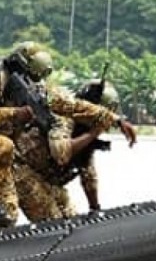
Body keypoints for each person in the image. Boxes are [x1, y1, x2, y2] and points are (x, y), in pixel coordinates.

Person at [0, 41, 129, 228]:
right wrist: (15, 113)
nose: (34, 83)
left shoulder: (33, 89)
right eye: (31, 77)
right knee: (10, 211)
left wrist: (114, 119)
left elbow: (69, 104)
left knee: (63, 212)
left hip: (1, 153)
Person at [12, 78, 137, 222]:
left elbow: (88, 174)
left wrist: (95, 209)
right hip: (22, 171)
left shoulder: (84, 132)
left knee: (72, 219)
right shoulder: (63, 120)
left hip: (48, 180)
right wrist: (93, 133)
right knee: (54, 223)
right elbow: (61, 153)